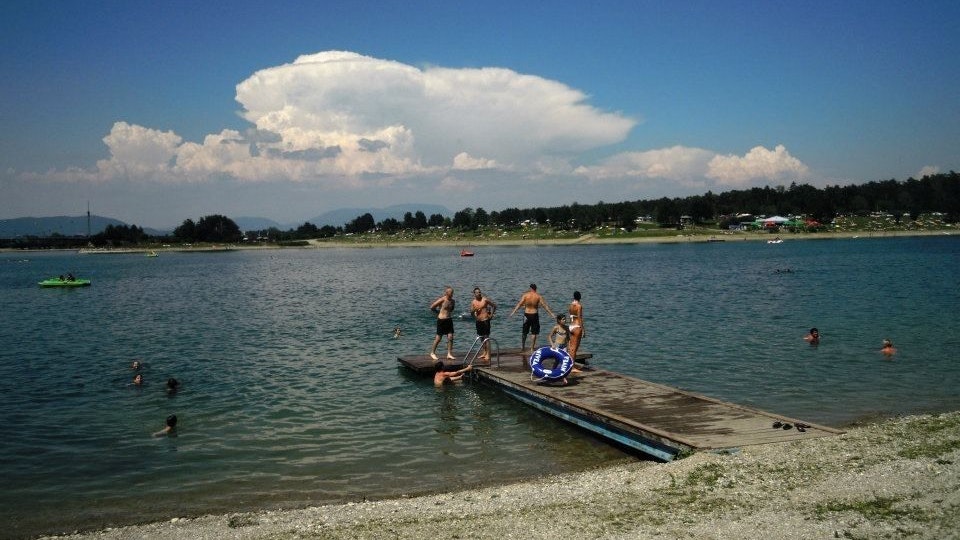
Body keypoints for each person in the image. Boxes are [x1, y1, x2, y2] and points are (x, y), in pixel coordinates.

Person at [508, 283, 555, 352]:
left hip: (526, 315)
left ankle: (523, 347)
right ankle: (532, 348)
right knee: (534, 332)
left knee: (524, 332)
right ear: (536, 289)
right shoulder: (538, 296)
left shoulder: (525, 295)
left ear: (530, 288)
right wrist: (551, 314)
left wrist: (513, 312)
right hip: (534, 314)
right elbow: (545, 306)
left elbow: (519, 304)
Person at [470, 287, 497, 362]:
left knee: (486, 338)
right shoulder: (473, 302)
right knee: (481, 338)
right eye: (477, 292)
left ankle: (488, 354)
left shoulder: (485, 300)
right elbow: (471, 313)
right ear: (474, 294)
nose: (479, 293)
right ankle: (484, 352)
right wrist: (474, 315)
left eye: (479, 292)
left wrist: (491, 315)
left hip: (485, 320)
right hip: (478, 321)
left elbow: (494, 306)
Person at [429, 287, 456, 361]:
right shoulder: (442, 299)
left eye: (452, 292)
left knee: (450, 337)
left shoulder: (453, 301)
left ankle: (449, 354)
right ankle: (432, 353)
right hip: (441, 320)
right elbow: (432, 307)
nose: (452, 294)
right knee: (438, 338)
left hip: (449, 320)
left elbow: (451, 309)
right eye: (450, 292)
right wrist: (438, 312)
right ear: (446, 293)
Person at [567, 291, 585, 371]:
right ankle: (572, 367)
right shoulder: (579, 306)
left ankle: (570, 364)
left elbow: (570, 316)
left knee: (571, 347)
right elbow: (579, 318)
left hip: (571, 326)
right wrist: (583, 329)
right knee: (574, 348)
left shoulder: (570, 305)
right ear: (580, 297)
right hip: (577, 326)